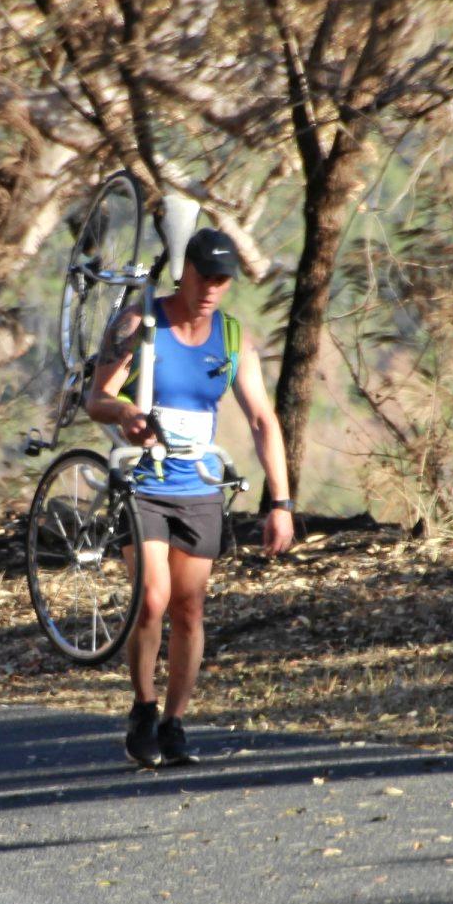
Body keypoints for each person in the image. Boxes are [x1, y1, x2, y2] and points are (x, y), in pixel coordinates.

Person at [86, 226, 295, 768]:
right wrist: (126, 413)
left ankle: (175, 723)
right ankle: (143, 708)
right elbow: (97, 399)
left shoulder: (232, 338)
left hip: (198, 487)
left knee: (190, 608)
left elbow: (261, 420)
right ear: (186, 272)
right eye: (205, 276)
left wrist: (281, 502)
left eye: (223, 280)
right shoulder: (140, 323)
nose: (211, 289)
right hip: (144, 485)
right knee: (151, 599)